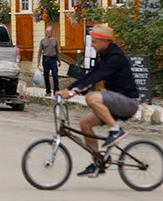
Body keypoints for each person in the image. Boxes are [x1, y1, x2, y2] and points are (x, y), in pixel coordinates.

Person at [55, 24, 139, 178]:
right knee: (85, 124)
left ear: (104, 41)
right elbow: (90, 75)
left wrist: (75, 92)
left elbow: (98, 76)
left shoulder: (116, 57)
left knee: (91, 97)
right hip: (116, 102)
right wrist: (68, 89)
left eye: (94, 42)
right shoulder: (106, 54)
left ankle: (116, 131)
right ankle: (98, 162)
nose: (92, 45)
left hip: (128, 102)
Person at [36, 25, 60, 96]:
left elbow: (57, 51)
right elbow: (40, 51)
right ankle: (48, 91)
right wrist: (38, 62)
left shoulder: (55, 41)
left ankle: (56, 91)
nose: (48, 33)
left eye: (49, 31)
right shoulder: (43, 41)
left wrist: (59, 60)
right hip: (45, 59)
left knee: (55, 75)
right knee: (46, 76)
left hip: (53, 60)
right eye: (47, 31)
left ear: (52, 32)